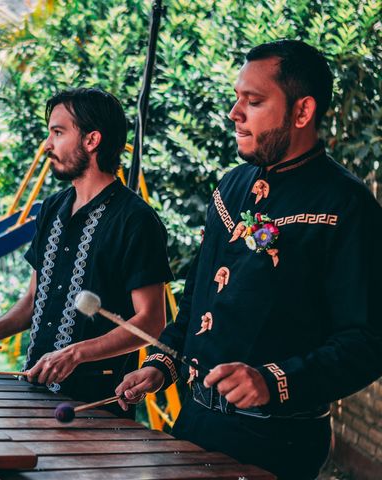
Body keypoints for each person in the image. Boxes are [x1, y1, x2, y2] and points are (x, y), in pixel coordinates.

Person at [115, 40, 382, 479]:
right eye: (237, 98)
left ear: (302, 112)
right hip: (195, 424)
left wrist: (273, 381)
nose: (234, 113)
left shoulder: (347, 207)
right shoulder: (231, 187)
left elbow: (367, 341)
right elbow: (201, 304)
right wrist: (162, 363)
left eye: (253, 101)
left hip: (276, 443)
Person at [0, 88, 173, 412]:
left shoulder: (136, 220)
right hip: (35, 391)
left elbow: (151, 321)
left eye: (58, 132)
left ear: (91, 140)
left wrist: (76, 353)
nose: (48, 144)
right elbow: (34, 301)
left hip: (92, 407)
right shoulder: (51, 208)